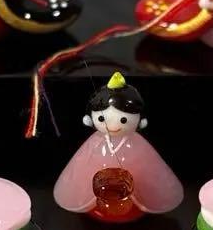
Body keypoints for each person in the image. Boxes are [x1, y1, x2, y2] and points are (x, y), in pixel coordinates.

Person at [53, 73, 183, 222]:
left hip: (129, 188)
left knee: (139, 184)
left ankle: (136, 201)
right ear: (90, 119)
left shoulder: (137, 143)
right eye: (102, 118)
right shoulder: (96, 141)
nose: (113, 126)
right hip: (101, 188)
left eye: (123, 120)